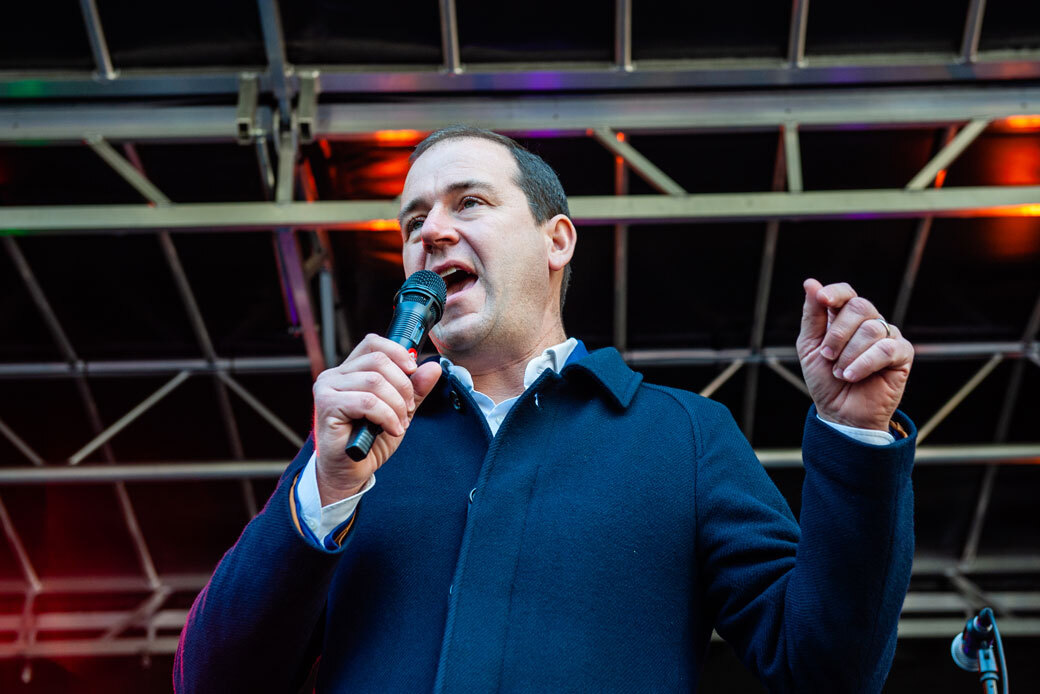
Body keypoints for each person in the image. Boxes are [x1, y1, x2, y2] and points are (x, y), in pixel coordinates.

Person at [174, 126, 916, 693]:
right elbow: (208, 680)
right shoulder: (355, 448)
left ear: (556, 240)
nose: (429, 232)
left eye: (469, 202)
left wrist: (855, 438)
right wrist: (324, 494)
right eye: (411, 223)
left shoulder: (680, 436)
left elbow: (829, 671)